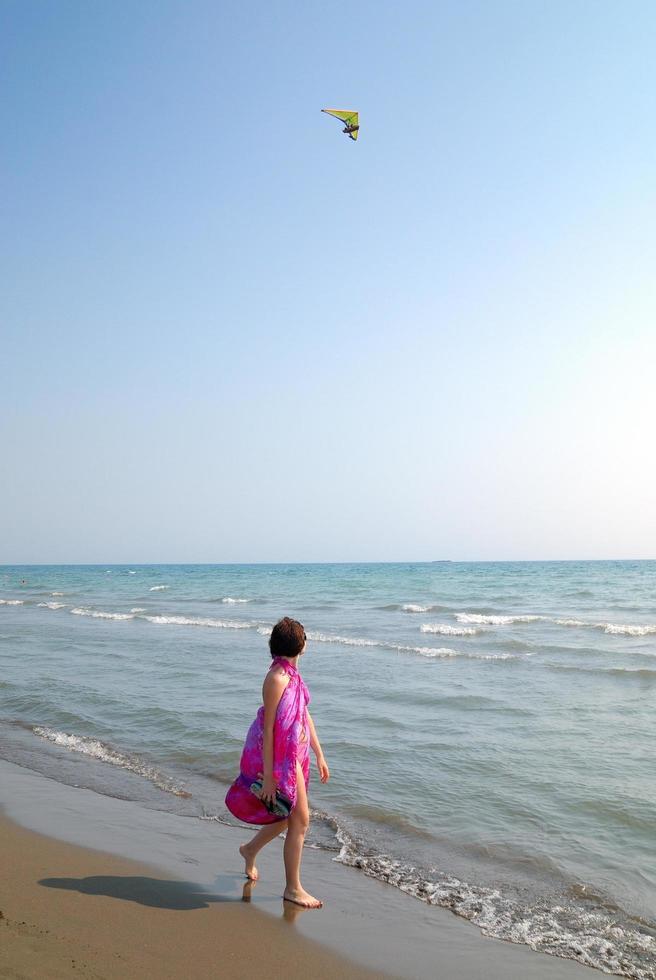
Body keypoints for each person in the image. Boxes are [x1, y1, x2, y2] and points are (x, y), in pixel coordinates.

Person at [225, 617, 330, 909]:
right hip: (281, 757)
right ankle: (292, 888)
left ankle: (250, 849)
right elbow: (270, 728)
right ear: (300, 645)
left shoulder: (294, 675)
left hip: (296, 753)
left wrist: (320, 753)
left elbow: (304, 715)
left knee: (287, 816)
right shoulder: (276, 678)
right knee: (301, 820)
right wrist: (270, 777)